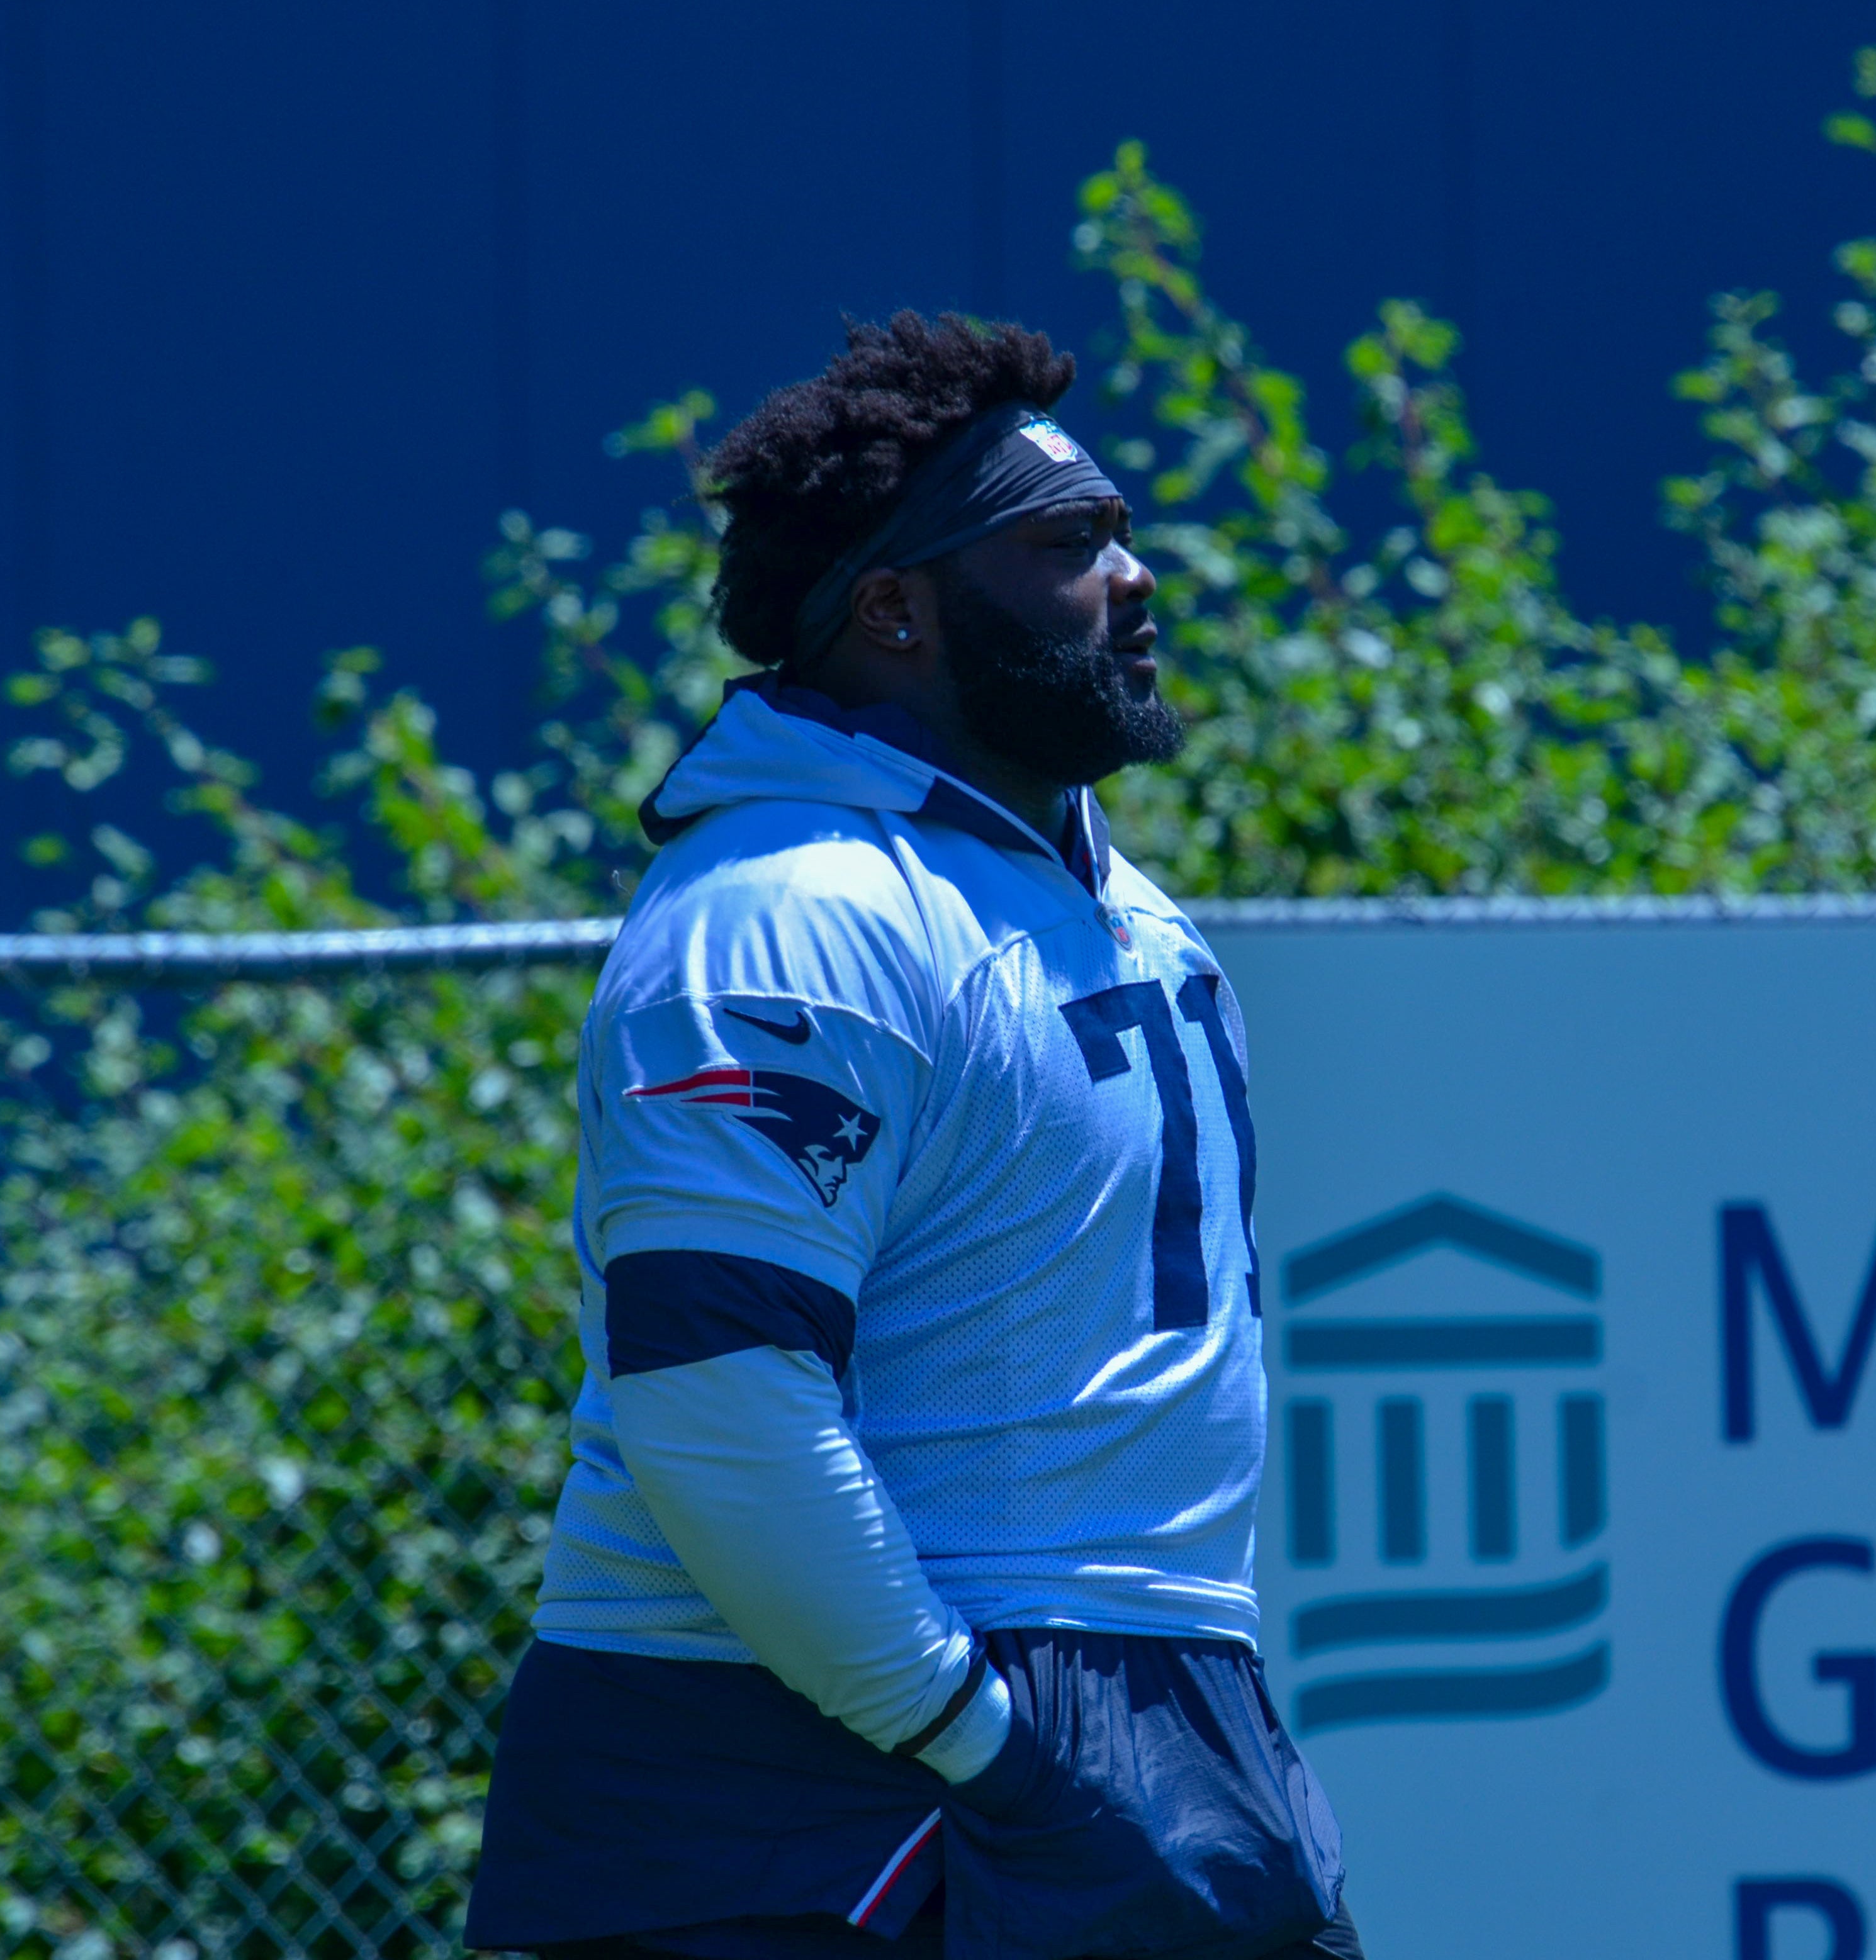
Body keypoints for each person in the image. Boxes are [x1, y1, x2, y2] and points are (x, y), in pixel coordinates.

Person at [465, 312, 1354, 1960]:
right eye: (1071, 541)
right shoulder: (791, 908)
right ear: (894, 608)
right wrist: (987, 1745)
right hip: (809, 1768)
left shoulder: (1118, 908)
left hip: (1120, 1709)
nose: (1137, 575)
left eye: (1126, 529)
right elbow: (718, 1398)